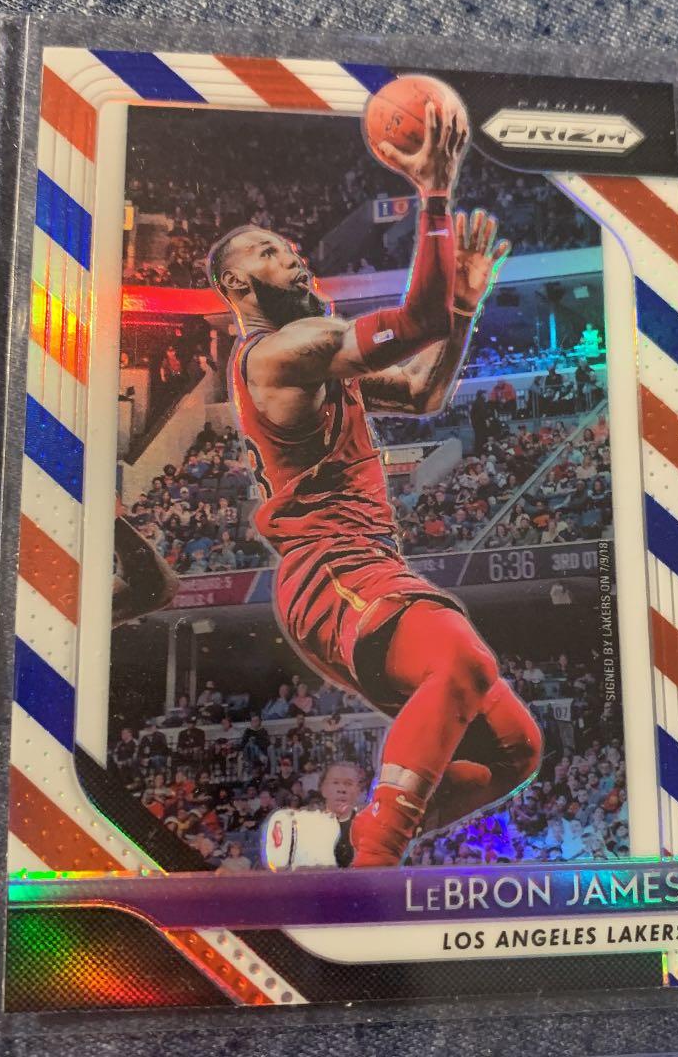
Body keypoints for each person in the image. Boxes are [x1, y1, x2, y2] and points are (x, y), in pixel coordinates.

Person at [206, 98, 541, 868]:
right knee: (462, 661)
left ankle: (352, 844)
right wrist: (433, 193)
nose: (291, 254)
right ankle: (375, 871)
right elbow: (418, 321)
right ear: (236, 283)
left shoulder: (316, 361)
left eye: (289, 245)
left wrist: (464, 308)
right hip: (329, 569)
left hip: (364, 566)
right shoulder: (280, 352)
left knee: (516, 748)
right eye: (268, 252)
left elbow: (425, 391)